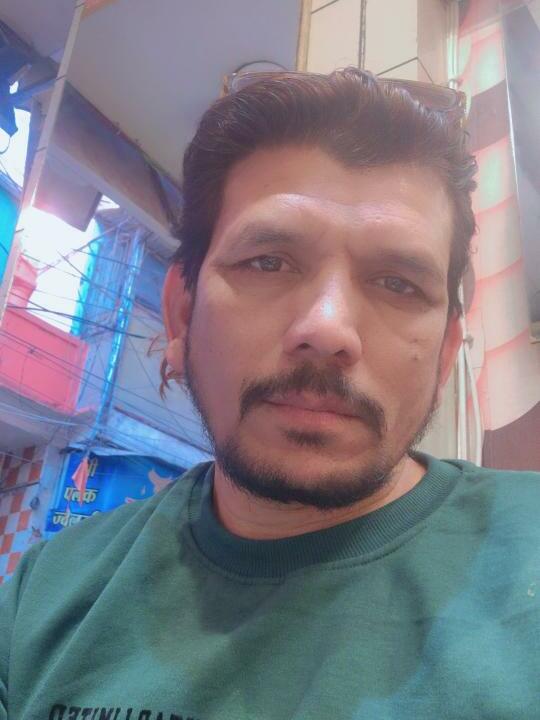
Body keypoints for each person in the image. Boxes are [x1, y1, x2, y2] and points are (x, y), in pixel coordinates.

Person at [1, 68, 539, 720]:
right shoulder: (40, 599)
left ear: (448, 351)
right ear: (180, 315)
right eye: (268, 262)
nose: (328, 329)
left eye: (398, 284)